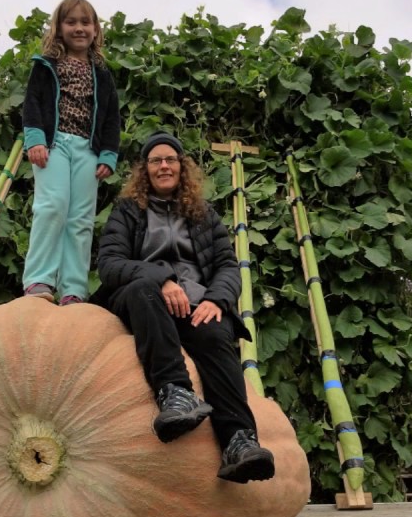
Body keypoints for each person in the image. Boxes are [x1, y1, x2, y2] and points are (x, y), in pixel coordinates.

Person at [89, 132, 275, 483]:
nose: (164, 166)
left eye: (170, 160)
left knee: (216, 332)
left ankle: (239, 441)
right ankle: (175, 393)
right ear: (145, 170)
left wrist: (215, 299)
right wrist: (161, 277)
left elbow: (227, 266)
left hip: (195, 303)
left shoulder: (204, 214)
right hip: (144, 301)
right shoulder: (128, 211)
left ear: (181, 166)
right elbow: (110, 265)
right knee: (144, 288)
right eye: (156, 160)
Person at [20, 0, 121, 306]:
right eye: (71, 21)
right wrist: (35, 139)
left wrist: (108, 153)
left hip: (87, 151)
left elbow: (111, 117)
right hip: (54, 144)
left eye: (85, 22)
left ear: (95, 29)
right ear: (59, 28)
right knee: (52, 207)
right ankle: (39, 279)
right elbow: (32, 103)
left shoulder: (102, 73)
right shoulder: (46, 65)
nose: (79, 28)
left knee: (80, 219)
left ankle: (74, 289)